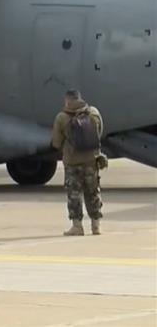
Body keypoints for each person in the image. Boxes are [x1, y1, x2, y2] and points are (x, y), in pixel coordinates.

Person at [51, 89, 104, 236]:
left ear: (67, 101)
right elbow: (99, 132)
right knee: (93, 192)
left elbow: (56, 142)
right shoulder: (93, 112)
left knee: (74, 194)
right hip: (91, 160)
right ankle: (96, 226)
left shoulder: (61, 117)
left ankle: (77, 227)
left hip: (72, 162)